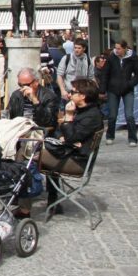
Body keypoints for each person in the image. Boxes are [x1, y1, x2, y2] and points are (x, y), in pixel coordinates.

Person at [42, 78, 105, 210]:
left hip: (78, 161)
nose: (69, 94)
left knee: (30, 157)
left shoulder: (92, 115)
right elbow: (60, 132)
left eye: (73, 92)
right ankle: (52, 200)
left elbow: (71, 137)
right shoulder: (81, 110)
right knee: (34, 152)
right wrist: (64, 136)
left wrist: (69, 117)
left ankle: (25, 204)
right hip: (70, 152)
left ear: (83, 96)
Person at [101, 40, 138, 146]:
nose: (116, 50)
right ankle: (110, 136)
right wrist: (102, 90)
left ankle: (132, 139)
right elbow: (105, 74)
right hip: (113, 89)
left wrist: (130, 84)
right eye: (115, 48)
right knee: (112, 115)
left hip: (127, 89)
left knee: (129, 115)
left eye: (119, 48)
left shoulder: (133, 58)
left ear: (125, 48)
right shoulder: (111, 57)